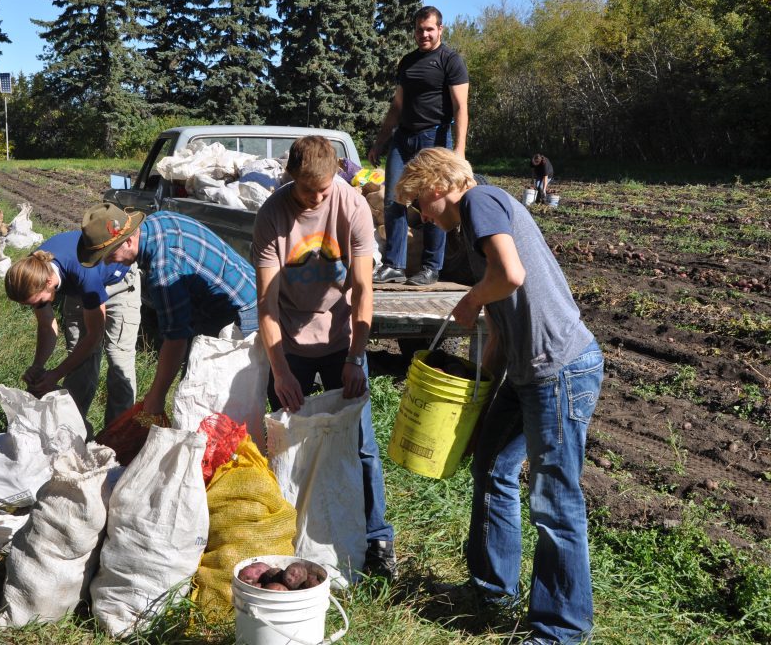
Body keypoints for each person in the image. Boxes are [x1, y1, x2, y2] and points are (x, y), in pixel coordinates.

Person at [396, 147, 604, 644]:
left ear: (440, 184)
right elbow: (503, 328)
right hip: (524, 372)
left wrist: (469, 298)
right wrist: (478, 404)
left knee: (555, 504)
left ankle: (561, 630)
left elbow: (511, 275)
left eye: (420, 202)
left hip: (558, 370)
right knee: (490, 465)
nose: (421, 215)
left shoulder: (480, 200)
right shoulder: (473, 229)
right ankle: (493, 593)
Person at [251, 136, 396, 579]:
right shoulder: (272, 215)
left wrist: (356, 357)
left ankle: (377, 539)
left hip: (341, 338)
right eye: (307, 190)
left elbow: (364, 289)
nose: (317, 198)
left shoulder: (351, 205)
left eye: (324, 188)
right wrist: (280, 373)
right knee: (282, 439)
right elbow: (267, 304)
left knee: (361, 443)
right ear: (291, 177)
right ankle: (282, 532)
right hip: (290, 340)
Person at [78, 202, 258, 417]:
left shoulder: (163, 270)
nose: (107, 263)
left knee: (215, 401)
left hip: (242, 312)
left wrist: (156, 395)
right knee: (195, 382)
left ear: (127, 241)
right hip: (235, 293)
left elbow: (176, 339)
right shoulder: (158, 221)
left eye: (108, 255)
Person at [368, 5, 469, 287]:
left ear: (440, 29)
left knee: (434, 202)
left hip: (433, 139)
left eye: (429, 29)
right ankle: (394, 266)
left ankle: (430, 267)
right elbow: (397, 106)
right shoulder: (408, 62)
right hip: (403, 138)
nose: (424, 34)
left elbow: (461, 107)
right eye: (419, 30)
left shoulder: (451, 61)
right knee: (394, 200)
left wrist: (458, 151)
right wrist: (380, 142)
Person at [3, 230, 141, 425]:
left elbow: (94, 336)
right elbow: (45, 325)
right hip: (78, 290)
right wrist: (38, 366)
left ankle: (117, 434)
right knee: (78, 360)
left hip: (119, 284)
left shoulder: (83, 273)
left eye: (37, 302)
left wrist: (56, 374)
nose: (36, 307)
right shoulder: (32, 270)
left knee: (118, 359)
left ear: (49, 282)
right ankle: (71, 429)